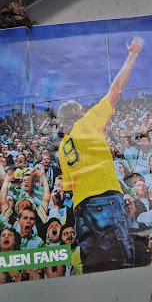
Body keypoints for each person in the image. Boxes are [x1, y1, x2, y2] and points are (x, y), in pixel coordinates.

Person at [58, 37, 144, 273]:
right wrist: (132, 55)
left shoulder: (63, 146)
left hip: (81, 211)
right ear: (79, 113)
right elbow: (115, 90)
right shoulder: (86, 123)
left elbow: (69, 187)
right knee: (123, 263)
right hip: (104, 201)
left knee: (95, 269)